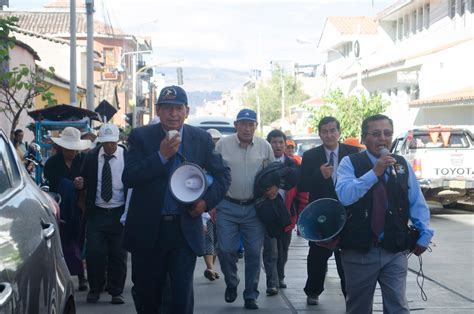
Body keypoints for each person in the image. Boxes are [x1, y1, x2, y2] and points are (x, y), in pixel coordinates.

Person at [122, 85, 231, 314]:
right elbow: (129, 177)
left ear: (187, 111)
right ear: (158, 111)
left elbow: (223, 175)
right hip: (149, 230)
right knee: (147, 295)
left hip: (183, 230)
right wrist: (161, 156)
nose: (173, 114)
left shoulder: (200, 139)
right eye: (167, 108)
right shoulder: (141, 136)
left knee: (181, 299)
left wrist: (205, 203)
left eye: (178, 108)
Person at [335, 114, 434, 314]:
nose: (382, 138)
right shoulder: (350, 162)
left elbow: (416, 201)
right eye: (375, 134)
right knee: (358, 307)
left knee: (398, 306)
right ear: (363, 138)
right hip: (359, 250)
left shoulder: (401, 164)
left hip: (394, 249)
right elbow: (345, 196)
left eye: (387, 133)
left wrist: (425, 233)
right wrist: (375, 172)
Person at [215, 108, 276, 310]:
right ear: (236, 125)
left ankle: (251, 293)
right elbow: (212, 173)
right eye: (243, 124)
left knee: (252, 253)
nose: (247, 128)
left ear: (256, 126)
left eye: (251, 124)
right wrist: (212, 204)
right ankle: (232, 282)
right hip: (226, 205)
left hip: (254, 208)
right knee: (225, 250)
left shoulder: (264, 146)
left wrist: (274, 187)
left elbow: (273, 173)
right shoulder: (222, 145)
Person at [298, 116, 359, 305]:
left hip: (348, 213)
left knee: (346, 256)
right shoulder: (310, 156)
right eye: (325, 131)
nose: (329, 135)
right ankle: (313, 291)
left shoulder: (354, 153)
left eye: (333, 130)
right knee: (317, 255)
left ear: (339, 132)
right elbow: (301, 185)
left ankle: (349, 292)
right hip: (321, 214)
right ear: (319, 134)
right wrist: (319, 175)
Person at [78, 124, 128, 304]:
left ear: (117, 141)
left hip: (118, 212)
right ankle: (95, 288)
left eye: (112, 143)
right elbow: (82, 180)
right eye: (105, 143)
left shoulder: (127, 156)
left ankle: (116, 291)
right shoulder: (91, 157)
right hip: (97, 212)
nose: (109, 147)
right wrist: (80, 184)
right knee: (94, 253)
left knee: (118, 254)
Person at [43, 127, 92, 292]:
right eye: (68, 148)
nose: (71, 152)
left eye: (74, 149)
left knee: (79, 241)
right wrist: (69, 184)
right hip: (60, 209)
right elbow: (53, 182)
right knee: (62, 243)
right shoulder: (52, 163)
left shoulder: (84, 160)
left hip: (80, 207)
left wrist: (82, 183)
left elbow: (90, 179)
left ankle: (82, 276)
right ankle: (61, 279)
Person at [262, 130, 308, 296]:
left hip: (288, 215)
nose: (278, 145)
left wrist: (302, 214)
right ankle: (272, 282)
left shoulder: (293, 165)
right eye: (274, 142)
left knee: (283, 250)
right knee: (271, 251)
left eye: (281, 142)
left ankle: (280, 275)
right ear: (268, 144)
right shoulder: (262, 163)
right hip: (267, 216)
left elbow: (302, 192)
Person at [202, 128, 222, 282]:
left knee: (217, 240)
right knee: (208, 236)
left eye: (216, 141)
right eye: (211, 141)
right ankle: (209, 267)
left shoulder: (222, 160)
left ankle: (211, 267)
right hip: (205, 205)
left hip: (221, 205)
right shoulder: (199, 159)